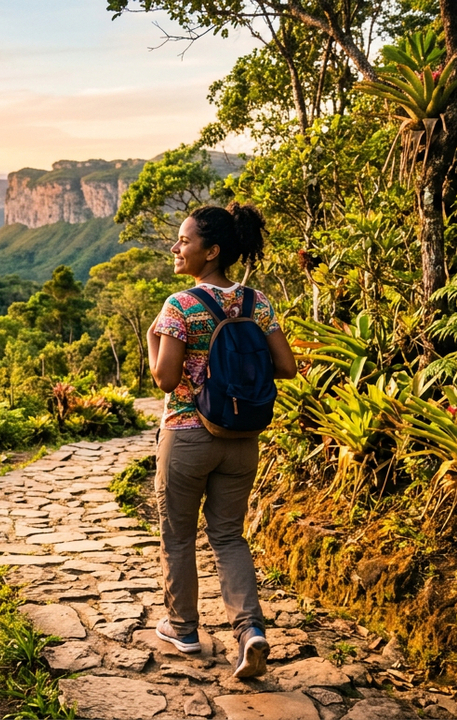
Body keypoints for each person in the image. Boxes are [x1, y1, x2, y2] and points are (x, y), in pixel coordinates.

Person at [145, 202, 298, 679]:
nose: (176, 247)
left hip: (188, 437)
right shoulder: (258, 303)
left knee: (178, 535)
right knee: (229, 535)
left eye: (185, 240)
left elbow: (166, 380)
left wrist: (154, 339)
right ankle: (250, 631)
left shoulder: (181, 305)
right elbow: (287, 368)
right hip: (242, 438)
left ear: (211, 251)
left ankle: (184, 628)